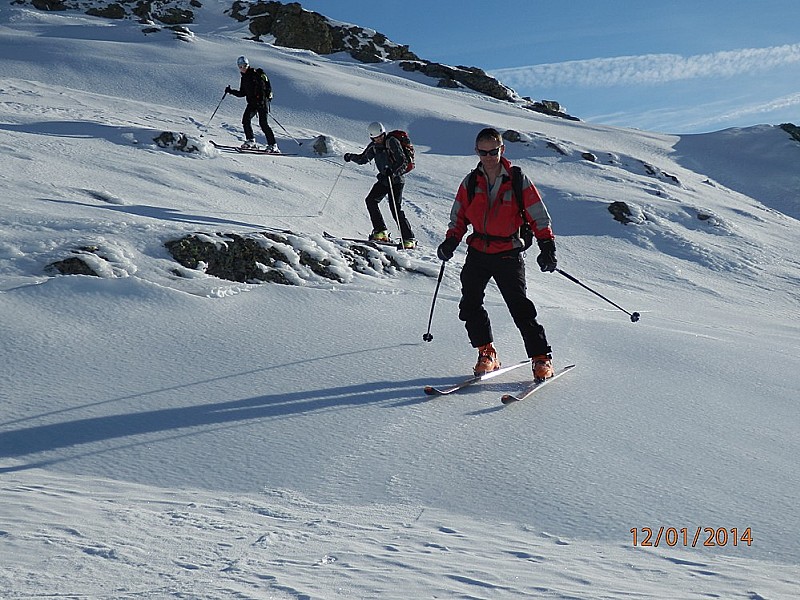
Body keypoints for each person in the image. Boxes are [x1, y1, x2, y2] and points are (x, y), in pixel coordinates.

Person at [436, 127, 558, 380]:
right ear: (476, 151)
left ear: (502, 149)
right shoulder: (470, 182)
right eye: (483, 152)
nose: (489, 156)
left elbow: (538, 214)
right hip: (478, 251)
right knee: (469, 304)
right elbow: (458, 217)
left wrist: (547, 246)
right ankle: (487, 353)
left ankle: (541, 358)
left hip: (508, 253)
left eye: (494, 151)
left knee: (520, 308)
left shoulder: (516, 179)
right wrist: (450, 241)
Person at [343, 122, 417, 249]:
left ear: (384, 133)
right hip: (384, 180)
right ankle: (381, 231)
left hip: (396, 180)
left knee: (395, 208)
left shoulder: (392, 141)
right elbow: (363, 158)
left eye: (380, 136)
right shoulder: (374, 146)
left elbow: (403, 161)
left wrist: (393, 172)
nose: (379, 139)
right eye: (375, 138)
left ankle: (409, 239)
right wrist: (351, 157)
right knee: (371, 200)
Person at [225, 56, 279, 153]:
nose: (243, 68)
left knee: (263, 124)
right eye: (241, 66)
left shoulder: (255, 74)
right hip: (252, 103)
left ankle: (273, 145)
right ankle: (251, 141)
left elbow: (262, 89)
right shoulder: (244, 78)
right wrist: (230, 91)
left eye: (245, 65)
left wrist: (261, 101)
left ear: (248, 65)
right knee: (245, 120)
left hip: (261, 103)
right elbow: (242, 93)